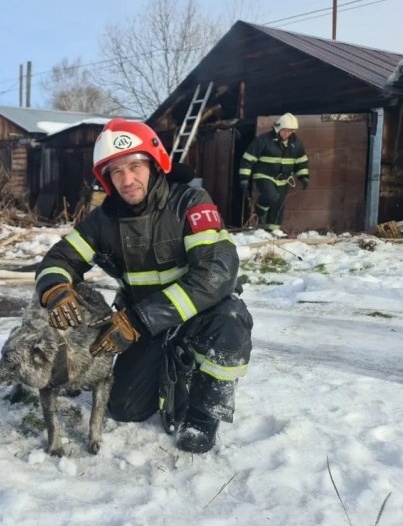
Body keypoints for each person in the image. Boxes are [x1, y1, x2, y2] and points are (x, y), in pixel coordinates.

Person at [35, 118, 253, 454]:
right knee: (125, 408)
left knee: (230, 319)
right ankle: (170, 368)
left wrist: (140, 319)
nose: (127, 179)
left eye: (135, 167)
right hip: (142, 325)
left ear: (155, 163)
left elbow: (216, 273)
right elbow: (57, 259)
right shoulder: (102, 220)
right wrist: (56, 289)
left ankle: (204, 412)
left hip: (194, 315)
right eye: (116, 172)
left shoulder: (191, 202)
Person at [239, 113, 310, 232]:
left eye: (290, 131)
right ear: (278, 128)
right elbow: (248, 159)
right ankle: (259, 210)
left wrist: (304, 177)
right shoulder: (263, 140)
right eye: (285, 130)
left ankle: (272, 230)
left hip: (284, 179)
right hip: (264, 175)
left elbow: (301, 162)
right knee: (271, 196)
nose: (287, 133)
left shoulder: (296, 144)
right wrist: (244, 178)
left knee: (279, 205)